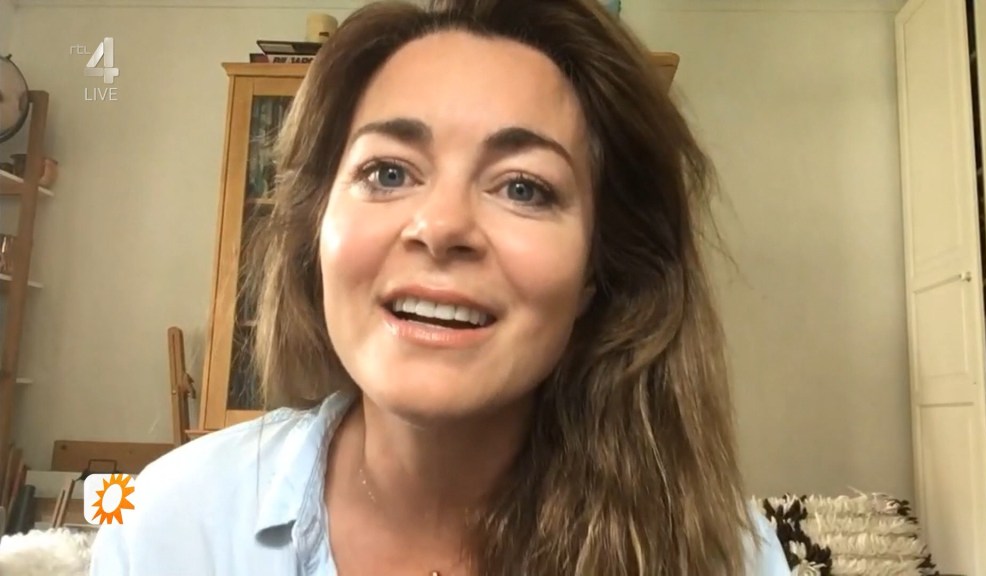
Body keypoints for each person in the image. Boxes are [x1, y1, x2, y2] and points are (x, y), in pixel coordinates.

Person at [90, 0, 789, 574]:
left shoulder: (724, 553)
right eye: (389, 172)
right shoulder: (168, 521)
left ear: (598, 272)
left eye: (523, 187)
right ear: (315, 230)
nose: (441, 225)